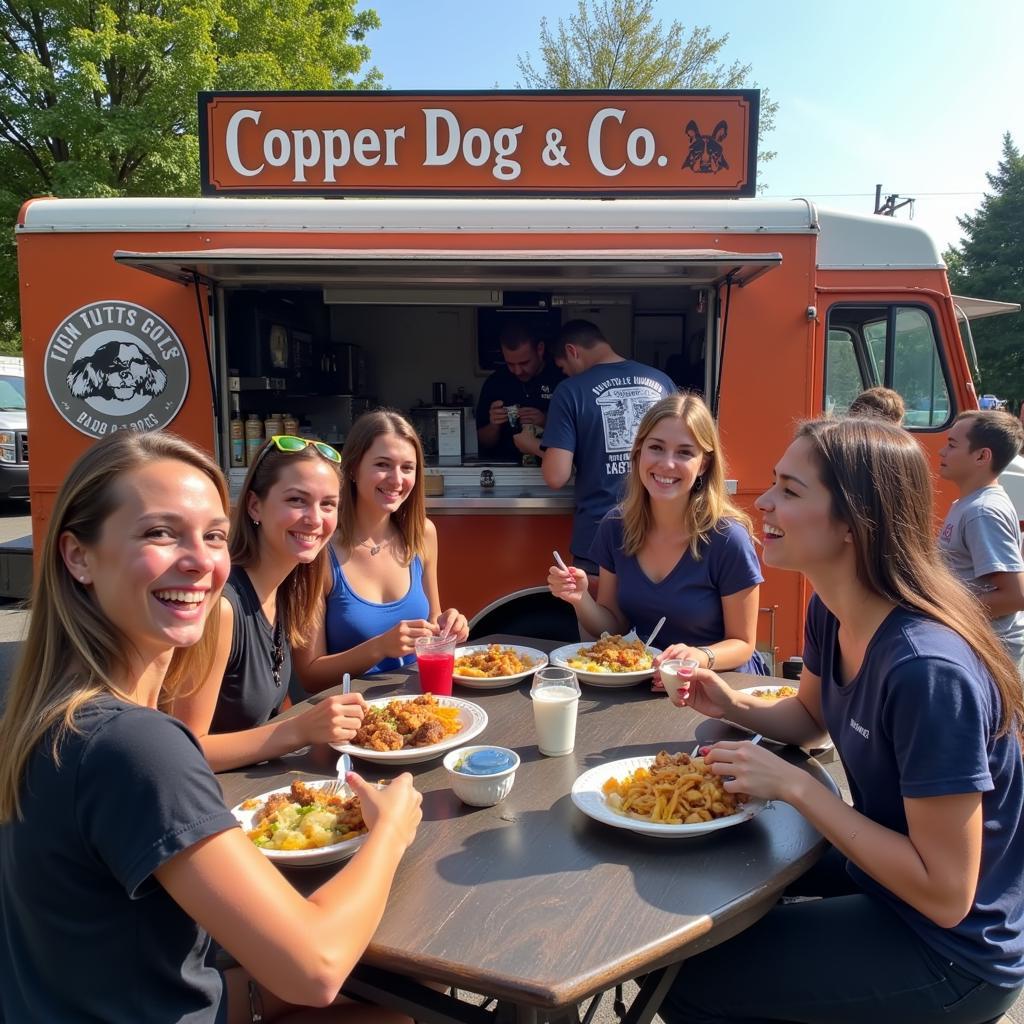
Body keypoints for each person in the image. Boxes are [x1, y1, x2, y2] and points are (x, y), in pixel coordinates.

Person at [0, 430, 422, 1023]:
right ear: (77, 555)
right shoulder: (134, 746)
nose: (201, 561)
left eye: (213, 536)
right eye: (159, 533)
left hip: (124, 991)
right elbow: (316, 967)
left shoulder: (55, 713)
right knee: (398, 1014)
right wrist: (390, 832)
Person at [657, 416, 1024, 1024]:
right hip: (891, 875)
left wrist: (795, 787)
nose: (765, 502)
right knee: (714, 861)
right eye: (774, 483)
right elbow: (810, 717)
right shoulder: (832, 607)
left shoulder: (927, 670)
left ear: (855, 524)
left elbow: (946, 892)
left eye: (791, 491)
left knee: (690, 977)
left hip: (953, 951)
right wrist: (730, 704)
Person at [171, 434, 368, 772]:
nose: (315, 519)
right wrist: (301, 729)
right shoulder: (222, 608)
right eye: (297, 500)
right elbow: (186, 752)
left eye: (328, 504)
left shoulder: (288, 589)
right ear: (254, 506)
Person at [548, 394, 766, 676]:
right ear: (639, 452)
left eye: (685, 452)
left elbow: (743, 643)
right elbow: (614, 627)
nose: (667, 464)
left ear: (704, 464)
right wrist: (580, 599)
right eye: (656, 448)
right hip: (650, 686)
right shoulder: (615, 526)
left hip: (721, 687)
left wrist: (698, 657)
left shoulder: (727, 538)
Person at [293, 410, 468, 689]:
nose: (397, 480)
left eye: (407, 468)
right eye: (383, 465)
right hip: (353, 717)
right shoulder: (319, 550)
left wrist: (448, 625)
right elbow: (310, 676)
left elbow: (432, 621)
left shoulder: (422, 534)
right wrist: (380, 647)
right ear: (352, 469)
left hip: (419, 706)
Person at [515, 319, 675, 576]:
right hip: (661, 535)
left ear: (572, 351)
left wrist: (530, 445)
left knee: (598, 615)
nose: (565, 374)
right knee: (659, 616)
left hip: (599, 540)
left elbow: (556, 476)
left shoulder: (569, 391)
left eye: (563, 367)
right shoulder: (661, 383)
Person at [938, 410, 1024, 669]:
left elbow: (1015, 596)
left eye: (952, 445)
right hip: (973, 645)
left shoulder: (982, 512)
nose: (942, 452)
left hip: (988, 655)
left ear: (981, 456)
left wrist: (941, 610)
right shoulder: (967, 504)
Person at [475, 321, 565, 462]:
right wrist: (494, 425)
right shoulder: (496, 381)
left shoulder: (561, 377)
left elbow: (581, 435)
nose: (517, 371)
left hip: (550, 468)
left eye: (524, 363)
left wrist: (546, 421)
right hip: (504, 470)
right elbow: (482, 442)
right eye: (510, 363)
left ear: (540, 349)